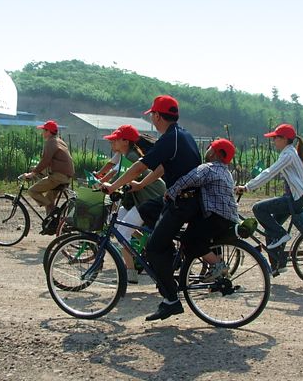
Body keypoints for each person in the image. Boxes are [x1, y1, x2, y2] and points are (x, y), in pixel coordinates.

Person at [104, 95, 201, 321]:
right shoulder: (181, 135)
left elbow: (140, 166)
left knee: (153, 249)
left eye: (152, 115)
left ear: (157, 116)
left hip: (183, 201)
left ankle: (171, 300)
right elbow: (162, 168)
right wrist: (140, 185)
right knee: (147, 209)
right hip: (178, 197)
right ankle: (171, 255)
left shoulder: (169, 139)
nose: (152, 119)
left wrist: (113, 187)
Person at [235, 124, 303, 271]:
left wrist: (248, 187)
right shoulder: (290, 152)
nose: (273, 141)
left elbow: (270, 172)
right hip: (295, 198)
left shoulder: (288, 155)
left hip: (294, 200)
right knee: (270, 229)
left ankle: (281, 235)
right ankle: (277, 265)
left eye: (275, 138)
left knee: (258, 208)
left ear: (284, 139)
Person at [165, 138, 239, 281]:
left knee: (188, 240)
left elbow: (187, 180)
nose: (207, 150)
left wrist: (170, 192)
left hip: (216, 217)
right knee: (207, 240)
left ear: (215, 153)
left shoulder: (208, 168)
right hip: (229, 218)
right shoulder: (226, 172)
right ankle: (219, 277)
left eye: (210, 148)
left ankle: (218, 265)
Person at [102, 124, 166, 284]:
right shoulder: (127, 155)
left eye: (115, 139)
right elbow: (118, 178)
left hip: (149, 199)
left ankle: (130, 273)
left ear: (125, 141)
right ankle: (144, 245)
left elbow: (122, 178)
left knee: (122, 233)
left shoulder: (131, 156)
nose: (112, 142)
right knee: (117, 223)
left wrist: (108, 186)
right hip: (140, 199)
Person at [24, 120, 75, 215]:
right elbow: (52, 162)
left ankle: (53, 209)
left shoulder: (51, 142)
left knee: (32, 191)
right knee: (48, 199)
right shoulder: (59, 141)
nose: (42, 132)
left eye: (44, 130)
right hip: (65, 177)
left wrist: (32, 174)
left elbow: (45, 161)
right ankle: (52, 222)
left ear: (49, 132)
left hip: (58, 177)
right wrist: (37, 171)